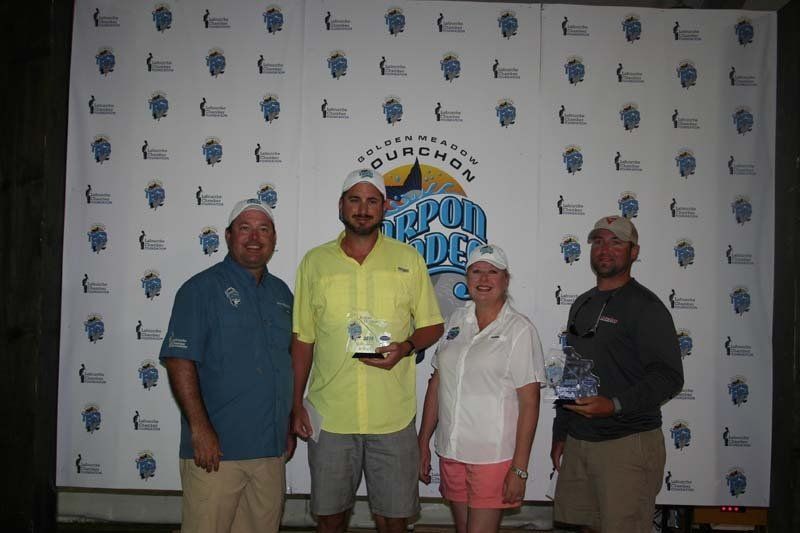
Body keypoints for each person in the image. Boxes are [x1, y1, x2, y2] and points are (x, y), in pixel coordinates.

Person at [291, 169, 444, 533]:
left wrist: (406, 347)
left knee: (394, 518)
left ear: (385, 207)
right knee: (329, 517)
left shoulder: (409, 259)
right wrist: (295, 403)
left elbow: (432, 325)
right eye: (355, 200)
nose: (363, 209)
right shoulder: (315, 262)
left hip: (391, 416)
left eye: (372, 200)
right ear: (341, 206)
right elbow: (303, 339)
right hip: (330, 416)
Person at [160, 198, 294, 533]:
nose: (254, 237)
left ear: (274, 239)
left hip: (269, 453)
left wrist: (288, 425)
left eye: (263, 229)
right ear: (228, 235)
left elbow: (285, 363)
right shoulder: (199, 289)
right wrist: (200, 430)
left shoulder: (282, 294)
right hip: (217, 452)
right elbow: (179, 360)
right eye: (245, 228)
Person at [550, 215, 684, 533]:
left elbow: (669, 377)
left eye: (616, 242)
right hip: (581, 441)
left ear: (634, 252)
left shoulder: (646, 307)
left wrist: (614, 405)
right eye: (598, 241)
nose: (604, 249)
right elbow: (574, 371)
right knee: (581, 526)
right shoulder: (582, 304)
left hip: (626, 443)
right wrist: (560, 432)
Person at [418, 244, 545, 533]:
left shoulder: (519, 330)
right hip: (450, 451)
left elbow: (530, 403)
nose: (484, 279)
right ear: (467, 278)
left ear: (506, 280)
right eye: (476, 272)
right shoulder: (455, 321)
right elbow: (437, 383)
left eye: (492, 272)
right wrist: (422, 441)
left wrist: (519, 468)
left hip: (492, 457)